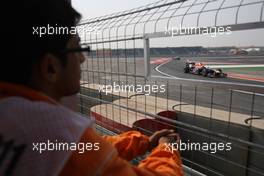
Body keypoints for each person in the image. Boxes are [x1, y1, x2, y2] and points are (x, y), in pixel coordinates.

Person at [0, 0, 183, 175]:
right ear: (50, 67)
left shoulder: (12, 114)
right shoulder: (54, 132)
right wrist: (167, 149)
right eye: (77, 47)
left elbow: (91, 148)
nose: (82, 58)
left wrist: (144, 142)